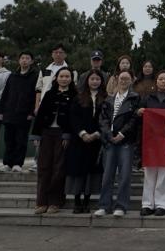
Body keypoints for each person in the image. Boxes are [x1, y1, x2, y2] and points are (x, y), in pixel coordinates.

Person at [95, 69, 140, 218]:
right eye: (121, 78)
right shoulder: (109, 99)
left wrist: (122, 134)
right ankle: (104, 205)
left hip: (126, 141)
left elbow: (134, 119)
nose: (124, 81)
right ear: (117, 79)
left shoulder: (135, 98)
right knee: (107, 175)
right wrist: (109, 134)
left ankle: (121, 205)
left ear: (131, 80)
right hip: (110, 141)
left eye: (127, 78)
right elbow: (103, 120)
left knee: (124, 175)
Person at [137, 70, 165, 215]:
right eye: (160, 79)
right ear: (156, 82)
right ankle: (147, 204)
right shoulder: (148, 98)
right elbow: (138, 117)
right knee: (150, 172)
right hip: (150, 141)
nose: (163, 81)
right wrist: (139, 112)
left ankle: (163, 204)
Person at [31, 66, 76, 214]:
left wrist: (67, 134)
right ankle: (41, 202)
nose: (64, 79)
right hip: (46, 132)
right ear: (56, 78)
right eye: (61, 76)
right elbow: (40, 115)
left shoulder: (74, 95)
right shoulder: (49, 94)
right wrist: (36, 135)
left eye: (67, 76)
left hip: (62, 135)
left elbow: (73, 118)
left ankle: (55, 202)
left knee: (59, 168)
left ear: (71, 79)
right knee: (44, 167)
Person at [66, 69, 105, 213]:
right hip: (79, 140)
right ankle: (77, 202)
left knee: (91, 171)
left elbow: (106, 118)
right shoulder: (78, 97)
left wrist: (97, 133)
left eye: (97, 79)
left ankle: (87, 202)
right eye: (92, 79)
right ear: (87, 80)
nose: (95, 82)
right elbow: (73, 117)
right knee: (78, 170)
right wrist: (82, 133)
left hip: (96, 141)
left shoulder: (105, 98)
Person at [0, 51, 38, 172]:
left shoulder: (35, 76)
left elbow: (36, 95)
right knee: (9, 140)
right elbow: (5, 94)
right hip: (9, 113)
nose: (24, 60)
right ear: (19, 60)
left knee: (21, 140)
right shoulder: (12, 76)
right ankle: (7, 163)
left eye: (27, 58)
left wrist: (31, 112)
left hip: (24, 114)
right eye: (22, 58)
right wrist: (1, 111)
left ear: (31, 61)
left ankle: (17, 163)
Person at [35, 44, 75, 113]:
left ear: (65, 55)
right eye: (56, 52)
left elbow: (73, 88)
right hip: (45, 104)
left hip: (64, 105)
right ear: (52, 54)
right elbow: (39, 90)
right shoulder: (44, 70)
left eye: (61, 52)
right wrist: (37, 106)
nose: (58, 54)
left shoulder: (71, 71)